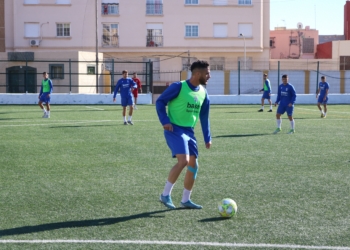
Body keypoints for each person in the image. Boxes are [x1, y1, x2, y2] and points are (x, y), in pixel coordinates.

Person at [156, 60, 212, 210]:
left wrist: (208, 137)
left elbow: (204, 117)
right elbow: (160, 102)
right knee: (184, 161)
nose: (209, 76)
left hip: (189, 132)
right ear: (197, 74)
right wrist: (165, 120)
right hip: (174, 129)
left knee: (194, 165)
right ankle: (165, 195)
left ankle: (185, 200)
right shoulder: (178, 87)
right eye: (207, 73)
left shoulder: (203, 93)